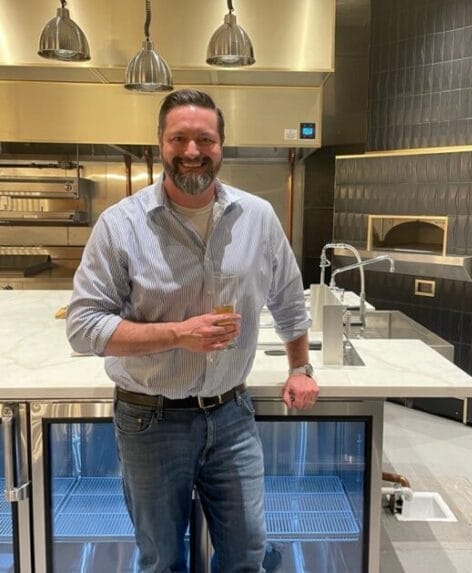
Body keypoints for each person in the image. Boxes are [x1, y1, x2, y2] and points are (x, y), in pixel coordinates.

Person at [66, 88, 319, 573]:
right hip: (149, 419)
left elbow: (288, 298)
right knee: (162, 560)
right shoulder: (120, 225)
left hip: (231, 415)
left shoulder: (258, 217)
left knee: (247, 555)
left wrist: (300, 367)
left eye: (204, 139)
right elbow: (83, 326)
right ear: (160, 144)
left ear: (221, 145)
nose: (191, 151)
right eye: (178, 138)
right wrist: (178, 334)